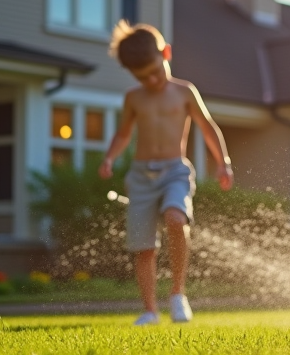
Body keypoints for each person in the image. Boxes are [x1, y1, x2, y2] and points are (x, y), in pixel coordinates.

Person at [99, 20, 234, 326]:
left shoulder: (184, 92)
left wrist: (223, 162)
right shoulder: (134, 98)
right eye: (142, 77)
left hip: (175, 171)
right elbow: (123, 135)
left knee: (176, 218)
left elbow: (207, 127)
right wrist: (110, 157)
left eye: (155, 72)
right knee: (143, 247)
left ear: (166, 53)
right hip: (140, 176)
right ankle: (149, 310)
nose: (152, 81)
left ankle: (177, 294)